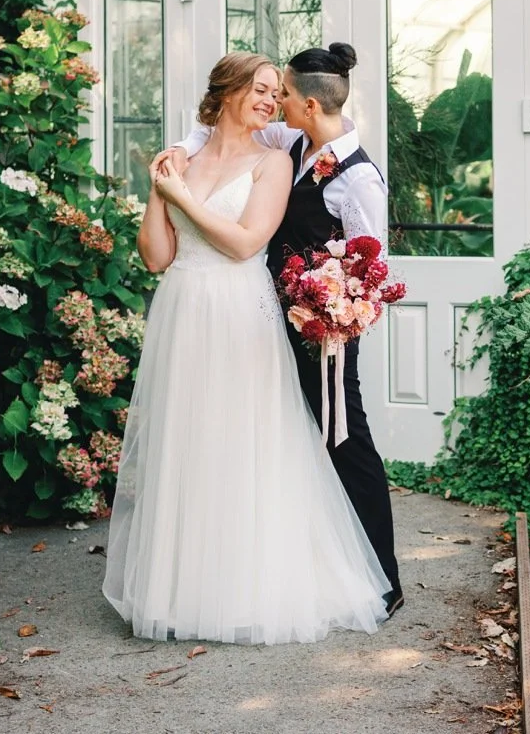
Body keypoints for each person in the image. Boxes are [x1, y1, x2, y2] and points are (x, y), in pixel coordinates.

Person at [102, 51, 390, 644]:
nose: (270, 100)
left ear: (304, 104)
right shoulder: (264, 143)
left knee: (321, 435)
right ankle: (183, 585)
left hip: (281, 315)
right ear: (228, 92)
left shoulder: (295, 160)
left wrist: (178, 195)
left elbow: (360, 257)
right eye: (259, 90)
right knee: (188, 443)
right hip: (185, 312)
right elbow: (156, 255)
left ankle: (378, 576)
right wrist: (164, 183)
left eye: (275, 92)